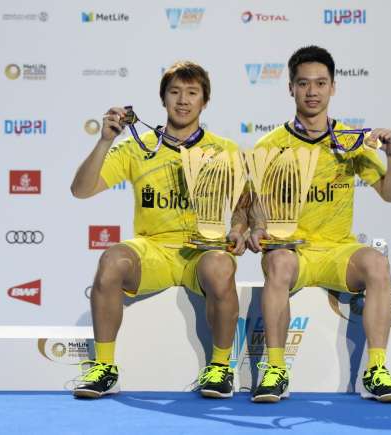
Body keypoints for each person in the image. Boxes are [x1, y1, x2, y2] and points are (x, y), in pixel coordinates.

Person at [70, 61, 247, 399]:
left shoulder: (225, 150)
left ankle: (221, 369)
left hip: (203, 251)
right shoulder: (137, 146)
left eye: (192, 93)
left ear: (204, 101)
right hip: (153, 250)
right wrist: (105, 141)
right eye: (175, 92)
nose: (183, 100)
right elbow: (81, 189)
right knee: (112, 260)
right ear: (163, 99)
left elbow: (243, 206)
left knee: (221, 266)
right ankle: (105, 368)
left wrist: (239, 229)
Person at [245, 46, 391, 403]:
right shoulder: (269, 145)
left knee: (376, 264)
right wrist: (256, 228)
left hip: (337, 252)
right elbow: (253, 204)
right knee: (279, 262)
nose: (312, 91)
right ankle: (274, 370)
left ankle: (377, 370)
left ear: (333, 87)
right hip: (293, 251)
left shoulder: (350, 141)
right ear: (291, 88)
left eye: (320, 83)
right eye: (304, 83)